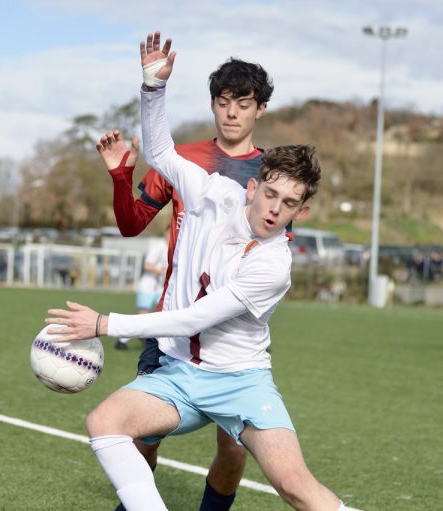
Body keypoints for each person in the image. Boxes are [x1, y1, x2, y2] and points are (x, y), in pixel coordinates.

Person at [45, 32, 358, 511]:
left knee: (295, 487)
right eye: (270, 194)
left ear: (302, 212)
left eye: (289, 203)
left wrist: (105, 324)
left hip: (238, 381)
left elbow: (197, 317)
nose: (275, 208)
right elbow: (160, 153)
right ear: (252, 188)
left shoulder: (274, 264)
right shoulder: (210, 189)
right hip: (176, 369)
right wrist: (153, 88)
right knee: (105, 423)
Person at [103, 35, 274, 511]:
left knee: (234, 449)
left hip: (233, 333)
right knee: (143, 439)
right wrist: (120, 177)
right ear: (213, 104)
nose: (232, 113)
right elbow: (131, 224)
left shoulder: (272, 175)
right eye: (223, 102)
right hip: (170, 323)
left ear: (260, 109)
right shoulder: (181, 160)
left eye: (243, 103)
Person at [115, 227, 169, 350]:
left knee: (163, 315)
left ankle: (152, 339)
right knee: (143, 318)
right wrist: (162, 272)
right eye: (170, 232)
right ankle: (123, 339)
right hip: (147, 287)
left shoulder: (171, 248)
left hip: (159, 289)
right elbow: (147, 265)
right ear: (165, 233)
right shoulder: (159, 247)